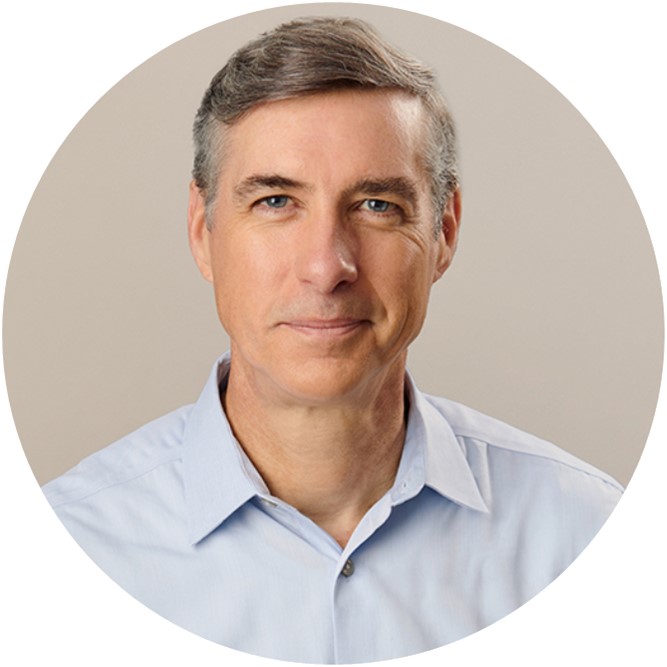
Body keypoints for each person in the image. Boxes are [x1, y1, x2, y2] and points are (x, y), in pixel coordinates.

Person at [42, 16, 623, 664]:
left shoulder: (588, 539)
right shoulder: (62, 556)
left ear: (444, 233)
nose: (326, 266)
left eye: (376, 205)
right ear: (202, 231)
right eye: (275, 201)